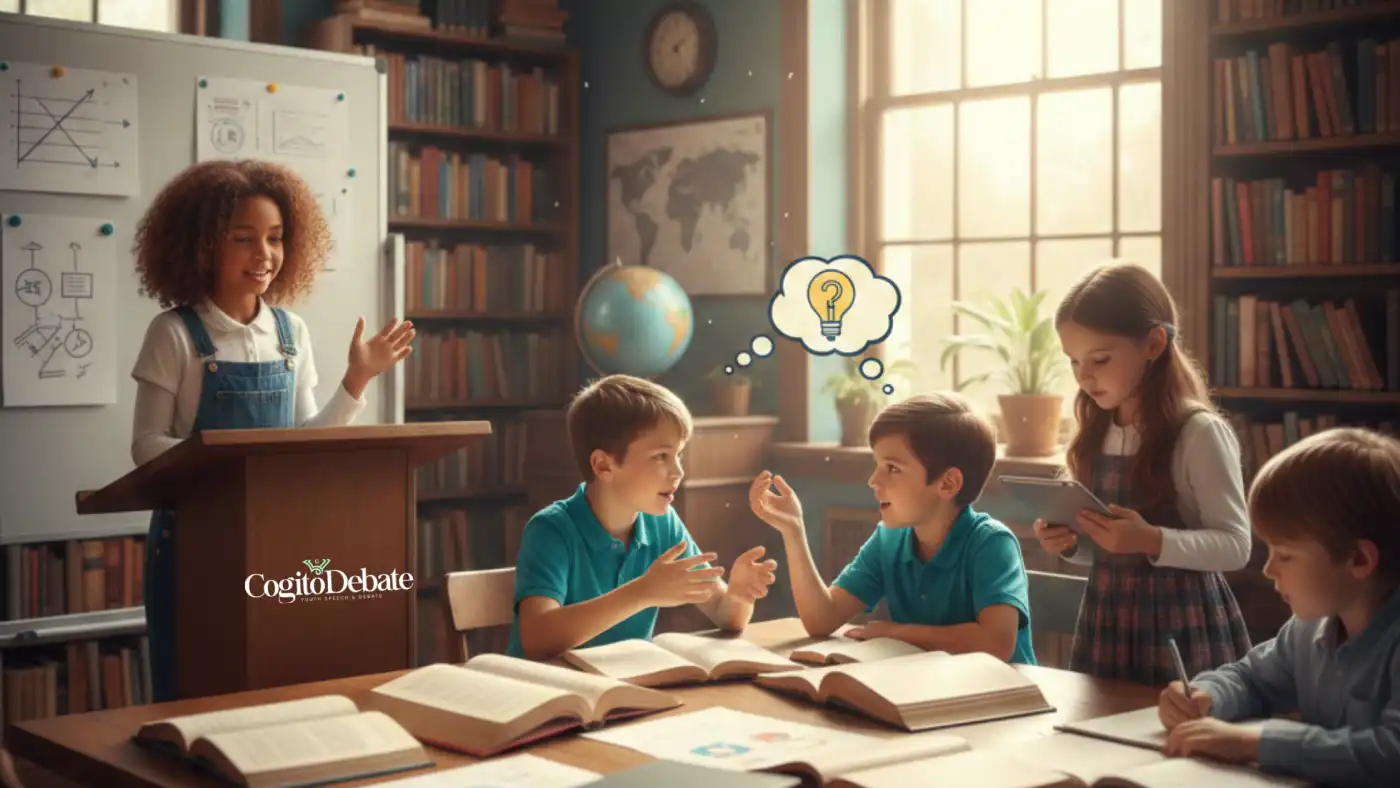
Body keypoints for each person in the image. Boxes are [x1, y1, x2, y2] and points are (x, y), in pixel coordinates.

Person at [129, 159, 414, 701]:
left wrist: (358, 378)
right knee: (197, 685)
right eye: (244, 238)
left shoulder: (292, 331)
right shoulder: (172, 333)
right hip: (196, 541)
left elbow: (305, 443)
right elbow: (145, 446)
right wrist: (224, 459)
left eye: (276, 238)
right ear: (202, 245)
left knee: (276, 687)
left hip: (277, 540)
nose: (265, 255)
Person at [1032, 263, 1251, 685]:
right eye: (1074, 361)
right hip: (1108, 619)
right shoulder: (1093, 434)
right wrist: (1070, 542)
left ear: (1154, 343)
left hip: (1182, 626)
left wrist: (1151, 539)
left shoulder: (1198, 433)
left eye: (1100, 358)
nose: (1084, 375)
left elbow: (1235, 545)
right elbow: (1101, 548)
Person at [1158, 428, 1400, 788]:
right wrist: (1207, 695)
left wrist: (1255, 743)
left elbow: (1391, 753)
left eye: (1284, 554)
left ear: (1358, 558)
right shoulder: (1308, 630)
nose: (1269, 569)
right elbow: (1250, 678)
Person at [749, 392, 1035, 664]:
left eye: (892, 468)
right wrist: (794, 531)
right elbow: (822, 619)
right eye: (877, 465)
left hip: (1005, 699)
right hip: (929, 692)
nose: (874, 481)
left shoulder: (991, 543)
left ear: (947, 484)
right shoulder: (890, 540)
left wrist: (896, 632)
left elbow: (996, 642)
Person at [507, 374, 777, 661]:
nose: (678, 472)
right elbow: (537, 638)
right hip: (553, 693)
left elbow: (724, 614)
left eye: (679, 455)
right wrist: (642, 593)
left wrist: (739, 595)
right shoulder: (551, 530)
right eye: (661, 456)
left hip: (625, 691)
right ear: (603, 465)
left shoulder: (662, 523)